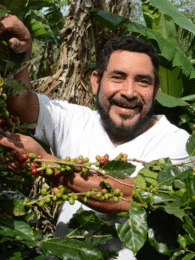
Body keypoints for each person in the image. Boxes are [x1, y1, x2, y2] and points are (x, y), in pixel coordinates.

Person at [0, 9, 191, 259]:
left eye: (143, 82)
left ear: (155, 91)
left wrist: (44, 161)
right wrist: (20, 55)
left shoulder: (177, 142)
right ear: (95, 82)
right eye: (118, 77)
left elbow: (135, 197)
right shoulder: (75, 120)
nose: (129, 91)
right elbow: (22, 105)